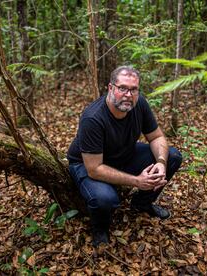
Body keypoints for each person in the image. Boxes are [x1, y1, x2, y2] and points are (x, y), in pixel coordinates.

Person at [67, 66, 182, 247]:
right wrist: (137, 181)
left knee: (173, 157)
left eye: (133, 89)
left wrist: (160, 162)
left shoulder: (140, 104)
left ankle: (142, 204)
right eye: (122, 88)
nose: (128, 94)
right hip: (88, 164)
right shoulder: (93, 118)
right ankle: (100, 228)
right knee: (106, 199)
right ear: (111, 88)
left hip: (123, 153)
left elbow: (157, 137)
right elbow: (94, 169)